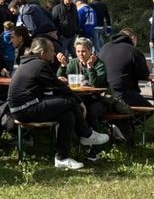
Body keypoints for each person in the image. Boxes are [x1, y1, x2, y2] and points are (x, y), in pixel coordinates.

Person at [6, 37, 109, 170]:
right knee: (69, 101)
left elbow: (51, 85)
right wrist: (79, 102)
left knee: (67, 115)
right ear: (42, 53)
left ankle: (62, 158)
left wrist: (58, 82)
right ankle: (86, 134)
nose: (54, 53)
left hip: (23, 107)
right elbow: (59, 87)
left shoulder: (29, 63)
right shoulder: (40, 65)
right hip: (25, 109)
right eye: (51, 51)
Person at [96, 29, 152, 109]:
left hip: (103, 93)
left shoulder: (104, 47)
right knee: (150, 109)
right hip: (123, 93)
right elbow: (144, 75)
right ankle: (133, 117)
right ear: (133, 38)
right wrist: (147, 68)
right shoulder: (133, 51)